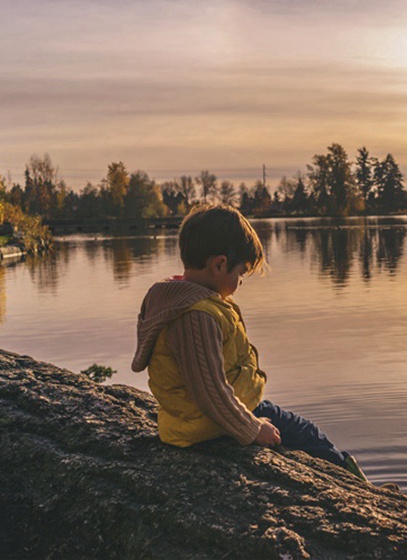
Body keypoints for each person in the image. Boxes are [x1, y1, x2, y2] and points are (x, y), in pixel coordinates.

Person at [131, 203, 367, 481]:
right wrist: (251, 428)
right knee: (307, 434)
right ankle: (360, 487)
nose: (241, 282)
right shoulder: (195, 316)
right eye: (240, 273)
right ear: (219, 264)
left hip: (201, 418)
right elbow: (209, 392)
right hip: (210, 423)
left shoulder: (183, 301)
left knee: (302, 432)